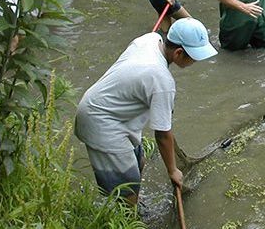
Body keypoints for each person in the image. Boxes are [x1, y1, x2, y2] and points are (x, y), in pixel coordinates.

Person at [75, 17, 218, 205]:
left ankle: (132, 204)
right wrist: (173, 170)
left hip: (112, 109)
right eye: (194, 57)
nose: (196, 61)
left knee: (139, 163)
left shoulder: (150, 40)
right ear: (178, 53)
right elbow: (162, 134)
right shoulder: (161, 79)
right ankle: (125, 216)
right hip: (101, 121)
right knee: (126, 193)